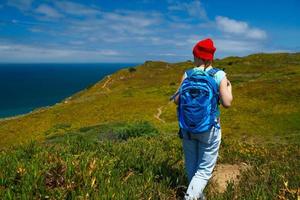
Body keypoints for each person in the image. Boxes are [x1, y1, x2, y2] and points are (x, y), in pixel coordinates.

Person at [173, 38, 233, 199]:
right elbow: (227, 103)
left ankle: (198, 196)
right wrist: (229, 88)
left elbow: (177, 100)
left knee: (192, 167)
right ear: (211, 57)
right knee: (204, 170)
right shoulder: (219, 75)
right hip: (209, 128)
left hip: (187, 128)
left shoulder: (188, 74)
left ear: (197, 56)